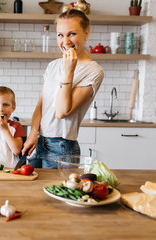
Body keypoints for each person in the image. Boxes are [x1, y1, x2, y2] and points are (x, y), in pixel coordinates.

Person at [22, 9, 104, 168]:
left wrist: (69, 71)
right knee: (31, 189)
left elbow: (61, 111)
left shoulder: (94, 71)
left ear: (86, 33)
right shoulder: (53, 66)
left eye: (72, 34)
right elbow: (41, 104)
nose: (65, 41)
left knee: (56, 191)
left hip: (61, 146)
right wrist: (33, 133)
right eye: (60, 35)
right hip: (39, 141)